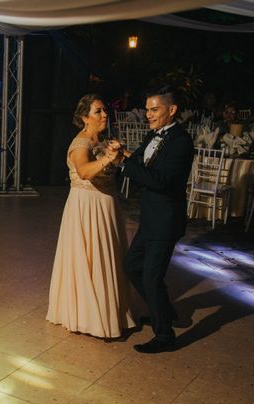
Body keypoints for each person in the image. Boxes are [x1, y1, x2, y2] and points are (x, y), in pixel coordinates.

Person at [113, 86, 194, 353]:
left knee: (151, 277)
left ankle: (164, 336)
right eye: (147, 109)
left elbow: (161, 181)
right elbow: (136, 161)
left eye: (154, 109)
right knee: (132, 265)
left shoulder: (182, 142)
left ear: (172, 110)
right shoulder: (152, 135)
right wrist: (121, 155)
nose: (148, 114)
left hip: (166, 221)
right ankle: (164, 310)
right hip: (150, 217)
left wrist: (126, 165)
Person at [46, 94, 134, 339]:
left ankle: (112, 309)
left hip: (108, 205)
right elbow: (84, 172)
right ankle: (90, 315)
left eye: (104, 110)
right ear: (85, 117)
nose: (105, 114)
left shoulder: (105, 141)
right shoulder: (80, 144)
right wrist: (108, 158)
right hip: (87, 206)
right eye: (98, 111)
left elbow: (132, 161)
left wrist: (122, 154)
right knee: (91, 256)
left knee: (110, 256)